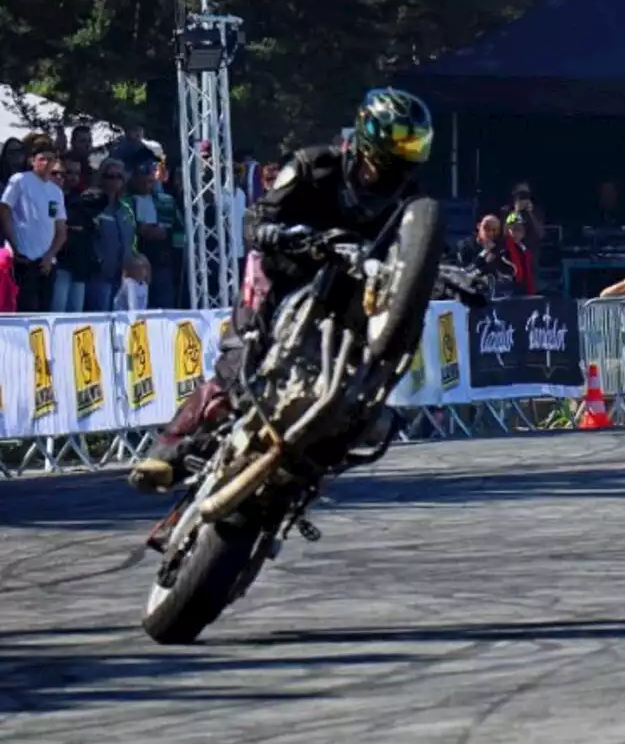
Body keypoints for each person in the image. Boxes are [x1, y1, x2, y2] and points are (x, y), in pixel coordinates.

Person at [128, 87, 439, 495]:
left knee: (366, 380)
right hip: (286, 267)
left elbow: (427, 249)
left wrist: (454, 272)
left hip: (349, 286)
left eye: (411, 141)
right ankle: (166, 449)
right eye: (398, 138)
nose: (404, 150)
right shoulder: (315, 165)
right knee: (237, 368)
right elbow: (258, 218)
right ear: (370, 134)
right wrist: (283, 235)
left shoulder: (410, 197)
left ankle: (334, 432)